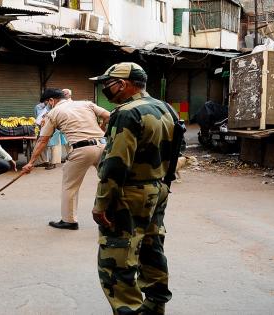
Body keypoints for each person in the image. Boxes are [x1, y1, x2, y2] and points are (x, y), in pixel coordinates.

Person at [91, 62, 176, 314]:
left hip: (129, 194)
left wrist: (101, 203)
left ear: (124, 84)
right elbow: (177, 153)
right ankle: (155, 306)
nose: (106, 89)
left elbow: (116, 164)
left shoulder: (127, 113)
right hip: (157, 189)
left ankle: (129, 309)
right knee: (151, 248)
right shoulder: (165, 108)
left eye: (108, 84)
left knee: (116, 262)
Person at [22, 88, 110, 230]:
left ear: (51, 100)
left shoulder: (53, 113)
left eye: (47, 103)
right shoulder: (86, 104)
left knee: (70, 186)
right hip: (103, 146)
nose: (47, 106)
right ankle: (114, 217)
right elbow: (109, 116)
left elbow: (43, 140)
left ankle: (69, 220)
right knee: (109, 181)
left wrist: (31, 162)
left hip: (81, 149)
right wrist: (102, 127)